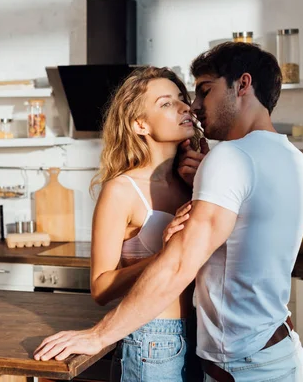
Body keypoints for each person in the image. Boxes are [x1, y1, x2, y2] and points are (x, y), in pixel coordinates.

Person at [34, 42, 303, 382]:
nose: (193, 107)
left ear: (242, 85)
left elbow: (183, 262)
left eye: (201, 92)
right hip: (258, 346)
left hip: (233, 357)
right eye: (171, 102)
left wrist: (99, 335)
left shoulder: (224, 163)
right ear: (140, 124)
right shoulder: (295, 160)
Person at [65, 66, 205, 381]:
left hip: (203, 335)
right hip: (154, 340)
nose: (184, 107)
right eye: (166, 103)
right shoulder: (121, 190)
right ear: (139, 124)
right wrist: (164, 254)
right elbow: (101, 288)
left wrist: (204, 182)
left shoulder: (193, 182)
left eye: (182, 98)